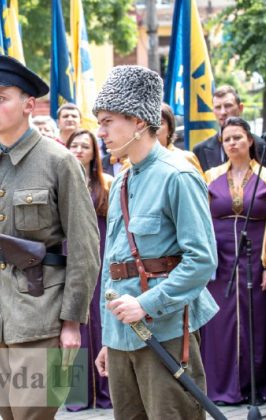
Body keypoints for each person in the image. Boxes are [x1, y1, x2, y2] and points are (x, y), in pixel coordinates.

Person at [0, 53, 100, 419]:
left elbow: (85, 247)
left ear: (28, 105)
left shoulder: (59, 161)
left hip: (41, 316)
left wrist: (72, 322)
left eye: (0, 99)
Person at [92, 66, 218, 419]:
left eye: (107, 121)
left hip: (162, 328)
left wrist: (147, 304)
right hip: (122, 333)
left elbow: (202, 260)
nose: (100, 132)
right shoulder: (121, 181)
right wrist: (108, 337)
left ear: (137, 122)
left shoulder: (178, 175)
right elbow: (113, 267)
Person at [201, 116, 266, 404]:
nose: (233, 143)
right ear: (221, 145)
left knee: (256, 323)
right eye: (227, 139)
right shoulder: (210, 176)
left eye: (238, 137)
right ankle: (221, 387)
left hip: (255, 257)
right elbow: (202, 221)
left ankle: (255, 386)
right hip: (220, 262)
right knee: (220, 323)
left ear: (250, 140)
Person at [65, 129, 112, 410]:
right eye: (75, 145)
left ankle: (106, 389)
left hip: (99, 255)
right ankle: (74, 393)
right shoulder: (57, 181)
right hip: (67, 255)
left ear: (95, 153)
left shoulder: (105, 184)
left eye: (86, 146)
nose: (79, 150)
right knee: (71, 322)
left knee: (99, 320)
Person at [193, 85, 266, 172]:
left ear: (240, 108)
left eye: (228, 106)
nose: (223, 112)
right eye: (218, 107)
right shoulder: (200, 151)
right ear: (213, 111)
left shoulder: (263, 147)